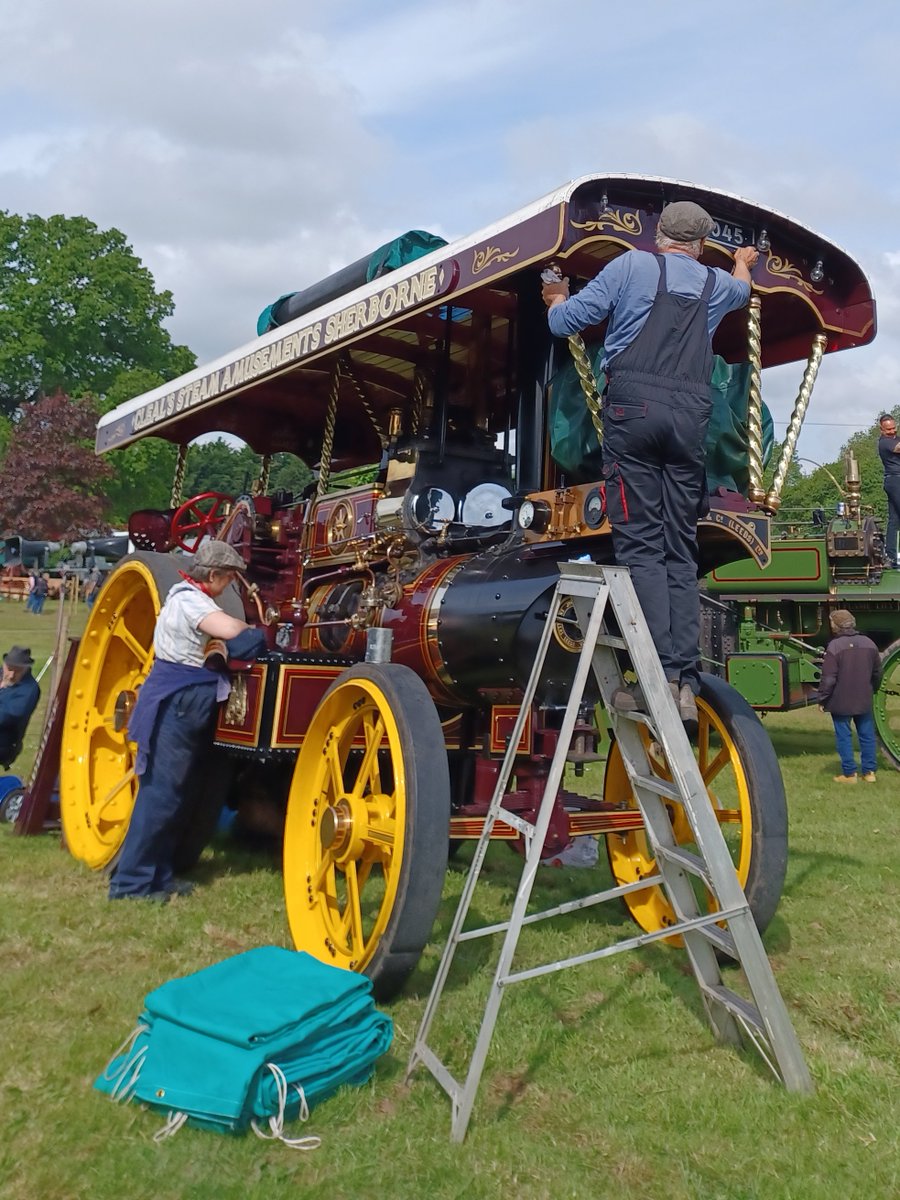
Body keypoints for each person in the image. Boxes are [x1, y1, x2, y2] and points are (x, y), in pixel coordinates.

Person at [542, 200, 758, 729]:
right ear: (701, 245)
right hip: (689, 421)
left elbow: (567, 323)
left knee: (641, 544)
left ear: (659, 233)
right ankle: (685, 679)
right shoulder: (718, 284)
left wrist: (554, 295)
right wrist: (745, 261)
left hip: (633, 413)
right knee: (679, 548)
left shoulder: (632, 265)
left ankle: (657, 676)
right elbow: (743, 288)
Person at [108, 541, 267, 901]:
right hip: (180, 701)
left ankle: (158, 876)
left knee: (176, 794)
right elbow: (235, 631)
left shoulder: (190, 598)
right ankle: (130, 884)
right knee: (161, 796)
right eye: (227, 578)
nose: (228, 585)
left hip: (186, 698)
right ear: (212, 575)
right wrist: (246, 636)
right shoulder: (190, 601)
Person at [817, 609, 881, 783]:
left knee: (843, 736)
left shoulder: (835, 647)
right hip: (864, 698)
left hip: (840, 700)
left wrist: (822, 699)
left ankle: (849, 774)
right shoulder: (869, 643)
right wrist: (872, 689)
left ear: (835, 626)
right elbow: (877, 673)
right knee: (867, 735)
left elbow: (829, 679)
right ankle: (869, 773)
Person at [0, 646, 41, 768]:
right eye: (9, 669)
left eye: (17, 671)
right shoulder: (2, 674)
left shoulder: (29, 690)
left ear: (25, 669)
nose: (11, 675)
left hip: (5, 743)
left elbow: (6, 717)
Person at [877, 413, 900, 568]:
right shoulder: (884, 443)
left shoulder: (895, 438)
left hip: (894, 481)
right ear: (881, 430)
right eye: (888, 429)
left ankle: (890, 558)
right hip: (895, 479)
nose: (892, 431)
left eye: (893, 428)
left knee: (894, 520)